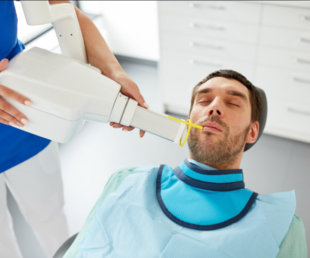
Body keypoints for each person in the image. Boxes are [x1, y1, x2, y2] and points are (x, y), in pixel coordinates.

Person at [64, 70, 307, 258]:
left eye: (232, 103)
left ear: (252, 132)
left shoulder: (281, 228)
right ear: (188, 120)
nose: (214, 107)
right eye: (204, 101)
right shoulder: (126, 181)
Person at [0, 1, 148, 258]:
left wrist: (111, 71)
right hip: (22, 103)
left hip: (25, 108)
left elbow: (62, 8)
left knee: (49, 213)